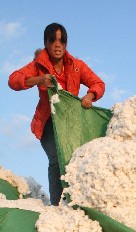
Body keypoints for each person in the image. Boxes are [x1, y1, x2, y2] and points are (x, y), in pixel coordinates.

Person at [8, 23, 105, 205]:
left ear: (66, 44)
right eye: (53, 40)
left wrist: (89, 96)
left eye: (61, 41)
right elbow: (13, 80)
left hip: (70, 124)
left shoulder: (77, 66)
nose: (57, 45)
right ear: (46, 43)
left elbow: (98, 83)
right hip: (48, 123)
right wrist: (39, 79)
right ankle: (55, 205)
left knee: (73, 160)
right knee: (56, 159)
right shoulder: (38, 65)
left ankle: (74, 202)